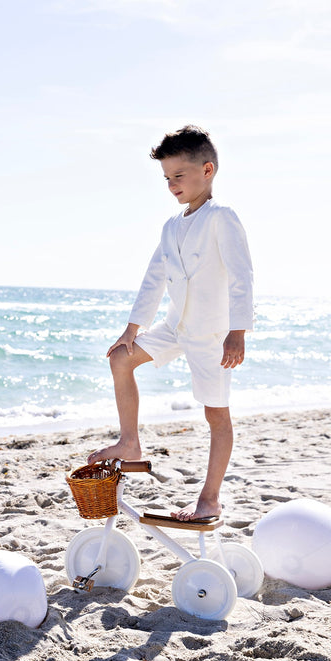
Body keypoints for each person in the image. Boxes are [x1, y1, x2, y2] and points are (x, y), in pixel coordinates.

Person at [88, 125, 254, 523]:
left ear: (207, 170)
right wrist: (133, 328)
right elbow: (153, 278)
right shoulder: (171, 226)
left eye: (178, 176)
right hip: (174, 326)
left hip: (212, 334)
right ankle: (129, 442)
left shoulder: (222, 217)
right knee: (121, 359)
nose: (171, 185)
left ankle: (210, 498)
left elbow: (241, 275)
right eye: (166, 178)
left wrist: (238, 331)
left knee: (216, 415)